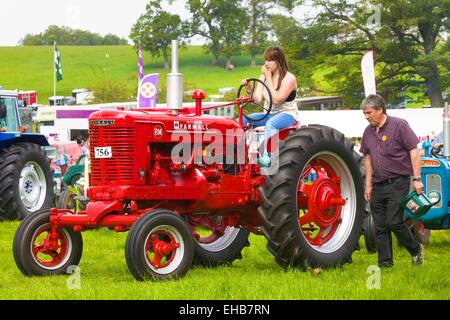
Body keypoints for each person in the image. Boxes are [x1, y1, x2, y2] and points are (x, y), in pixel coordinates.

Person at [360, 94, 424, 268]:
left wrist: (417, 179)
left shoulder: (399, 125)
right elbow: (367, 159)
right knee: (380, 226)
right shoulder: (368, 132)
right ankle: (385, 264)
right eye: (364, 113)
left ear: (380, 109)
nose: (366, 117)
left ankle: (416, 249)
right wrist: (368, 185)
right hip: (378, 185)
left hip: (398, 182)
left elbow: (414, 152)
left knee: (394, 221)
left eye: (369, 113)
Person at [242, 46, 298, 167]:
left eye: (270, 60)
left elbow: (277, 100)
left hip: (287, 114)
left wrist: (268, 77)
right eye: (266, 60)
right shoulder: (263, 76)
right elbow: (257, 99)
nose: (267, 63)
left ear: (279, 60)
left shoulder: (289, 78)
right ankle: (241, 153)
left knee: (271, 124)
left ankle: (267, 156)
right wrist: (248, 88)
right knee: (243, 120)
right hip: (269, 114)